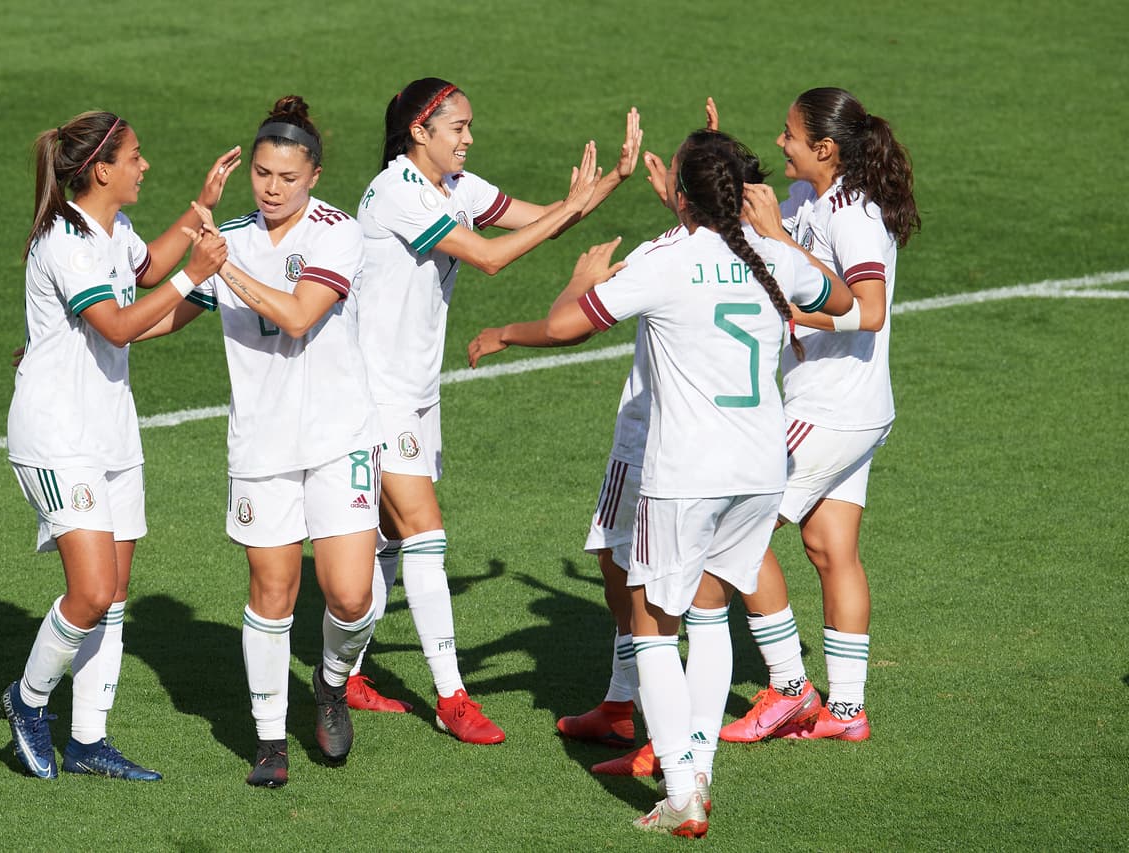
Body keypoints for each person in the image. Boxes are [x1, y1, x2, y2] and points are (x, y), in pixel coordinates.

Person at [542, 129, 855, 836]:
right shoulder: (769, 257)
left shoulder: (669, 260)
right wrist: (777, 236)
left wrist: (566, 291)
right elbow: (838, 297)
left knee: (655, 622)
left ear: (683, 198)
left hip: (684, 470)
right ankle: (701, 769)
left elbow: (570, 323)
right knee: (712, 612)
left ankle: (680, 789)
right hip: (758, 470)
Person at [348, 77, 642, 743]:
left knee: (389, 538)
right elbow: (488, 256)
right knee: (423, 530)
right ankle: (452, 696)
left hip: (416, 389)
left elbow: (544, 213)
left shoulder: (459, 187)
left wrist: (612, 182)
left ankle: (346, 672)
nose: (469, 137)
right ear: (420, 132)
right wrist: (571, 207)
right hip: (372, 390)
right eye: (458, 127)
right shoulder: (398, 191)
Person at [139, 96, 383, 788]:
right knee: (272, 589)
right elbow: (161, 315)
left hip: (340, 438)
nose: (271, 188)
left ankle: (331, 682)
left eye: (286, 177)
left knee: (350, 595)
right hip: (262, 446)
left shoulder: (339, 233)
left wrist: (222, 269)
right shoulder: (234, 237)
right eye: (262, 174)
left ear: (314, 176)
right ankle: (271, 738)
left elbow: (301, 315)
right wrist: (94, 332)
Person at [3, 110, 233, 780]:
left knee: (117, 589)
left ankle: (87, 740)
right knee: (92, 588)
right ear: (101, 169)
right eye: (135, 156)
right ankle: (27, 698)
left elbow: (147, 266)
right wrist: (194, 275)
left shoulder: (113, 228)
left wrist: (202, 212)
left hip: (111, 430)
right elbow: (120, 325)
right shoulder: (65, 242)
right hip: (56, 434)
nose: (144, 165)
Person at [717, 88, 920, 744]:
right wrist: (717, 161)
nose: (781, 143)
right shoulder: (811, 200)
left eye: (790, 136)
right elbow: (750, 241)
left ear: (825, 149)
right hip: (852, 404)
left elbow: (870, 309)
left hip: (830, 405)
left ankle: (788, 688)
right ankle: (848, 712)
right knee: (831, 549)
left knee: (731, 528)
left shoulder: (854, 215)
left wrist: (793, 301)